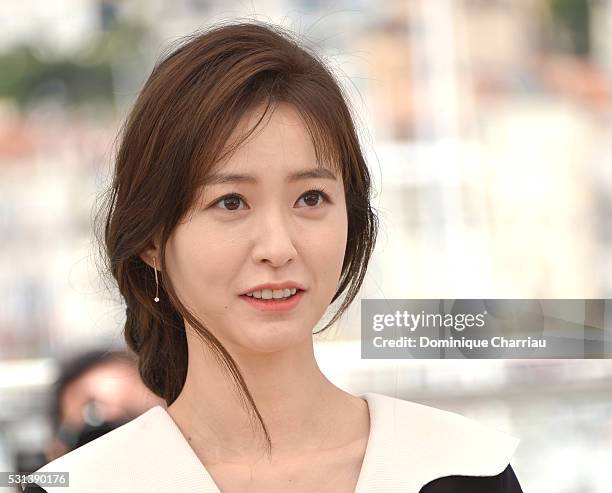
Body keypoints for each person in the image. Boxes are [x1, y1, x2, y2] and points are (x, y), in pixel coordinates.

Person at [27, 20, 523, 492]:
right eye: (231, 203)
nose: (278, 248)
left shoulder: (462, 470)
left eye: (310, 198)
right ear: (152, 240)